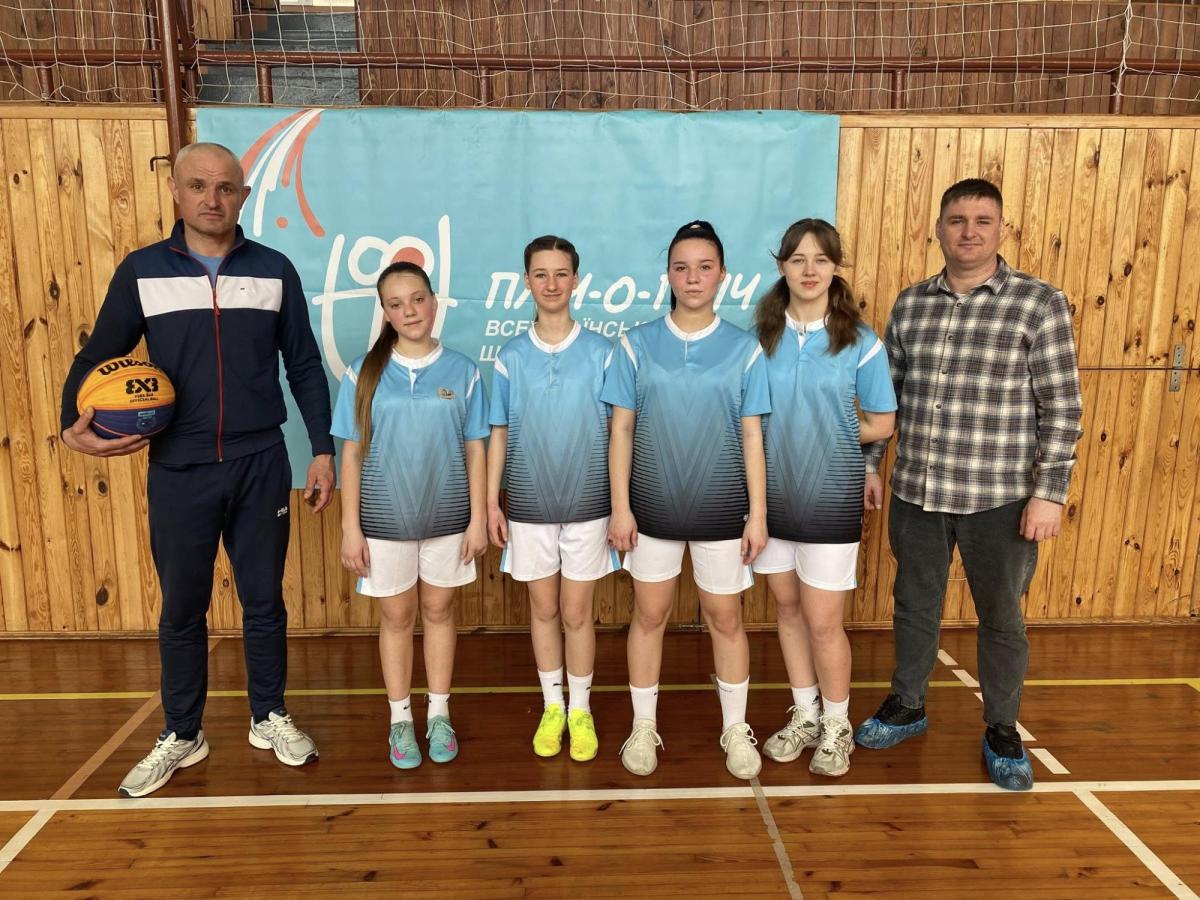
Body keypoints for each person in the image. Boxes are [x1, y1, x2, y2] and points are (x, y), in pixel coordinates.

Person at [58, 142, 336, 798]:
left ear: (243, 196)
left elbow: (303, 363)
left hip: (260, 460)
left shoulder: (273, 270)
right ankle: (182, 732)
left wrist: (322, 449)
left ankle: (269, 716)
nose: (213, 199)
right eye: (199, 186)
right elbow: (98, 354)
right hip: (179, 465)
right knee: (182, 607)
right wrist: (73, 422)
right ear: (177, 192)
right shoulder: (142, 271)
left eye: (226, 187)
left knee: (263, 601)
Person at [856, 178, 1083, 791]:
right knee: (914, 604)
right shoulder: (911, 304)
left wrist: (1050, 493)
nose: (969, 231)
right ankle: (908, 705)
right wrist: (871, 466)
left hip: (1001, 498)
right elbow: (886, 398)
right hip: (918, 492)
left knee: (1002, 617)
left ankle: (1002, 728)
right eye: (957, 220)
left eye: (983, 220)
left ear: (1001, 229)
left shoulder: (1039, 303)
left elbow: (1062, 406)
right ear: (938, 229)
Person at [602, 220, 771, 780]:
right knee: (650, 615)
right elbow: (621, 430)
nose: (692, 277)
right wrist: (621, 507)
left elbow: (752, 435)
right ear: (668, 276)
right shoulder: (636, 344)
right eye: (681, 267)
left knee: (725, 617)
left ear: (722, 275)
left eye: (704, 267)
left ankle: (735, 729)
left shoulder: (744, 349)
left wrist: (757, 515)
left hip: (722, 512)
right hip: (652, 510)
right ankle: (642, 726)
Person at [752, 219, 896, 777]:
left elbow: (882, 421)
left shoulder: (861, 342)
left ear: (835, 267)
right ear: (782, 266)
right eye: (798, 260)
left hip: (831, 495)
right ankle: (807, 716)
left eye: (820, 259)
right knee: (787, 610)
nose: (809, 270)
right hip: (769, 498)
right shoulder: (760, 338)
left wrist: (829, 434)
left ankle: (838, 725)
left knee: (822, 620)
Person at [335, 261, 488, 770]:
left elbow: (476, 449)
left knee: (440, 613)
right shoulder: (363, 372)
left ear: (434, 302)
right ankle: (400, 720)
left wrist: (477, 519)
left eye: (418, 299)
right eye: (397, 304)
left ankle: (438, 714)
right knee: (397, 617)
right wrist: (350, 528)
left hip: (448, 521)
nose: (410, 311)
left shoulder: (463, 370)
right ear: (385, 312)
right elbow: (351, 454)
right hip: (384, 524)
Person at [487, 236, 619, 763]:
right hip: (529, 506)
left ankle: (581, 710)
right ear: (526, 282)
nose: (551, 283)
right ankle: (553, 707)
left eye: (561, 273)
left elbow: (620, 434)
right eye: (540, 274)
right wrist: (493, 503)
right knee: (543, 609)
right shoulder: (510, 357)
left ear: (576, 280)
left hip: (589, 506)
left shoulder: (603, 353)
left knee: (577, 611)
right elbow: (498, 432)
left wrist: (620, 505)